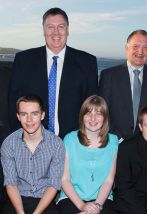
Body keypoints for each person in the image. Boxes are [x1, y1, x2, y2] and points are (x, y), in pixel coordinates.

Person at [8, 7, 98, 138]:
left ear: (68, 30)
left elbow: (92, 105)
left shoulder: (87, 62)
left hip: (73, 141)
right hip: (31, 140)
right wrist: (19, 138)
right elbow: (13, 103)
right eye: (50, 27)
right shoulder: (24, 60)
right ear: (44, 30)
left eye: (61, 26)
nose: (56, 32)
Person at [99, 30, 147, 140]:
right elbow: (102, 110)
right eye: (136, 46)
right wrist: (117, 138)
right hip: (114, 141)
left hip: (144, 142)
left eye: (145, 47)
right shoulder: (109, 75)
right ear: (126, 48)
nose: (140, 51)